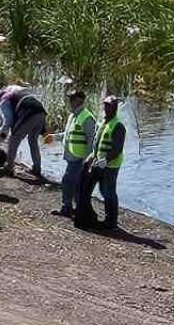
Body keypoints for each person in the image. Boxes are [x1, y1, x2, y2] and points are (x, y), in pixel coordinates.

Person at [50, 89, 96, 218]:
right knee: (74, 185)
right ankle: (77, 209)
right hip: (72, 157)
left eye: (72, 99)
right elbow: (68, 134)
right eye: (69, 99)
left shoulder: (87, 117)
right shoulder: (72, 116)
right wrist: (54, 137)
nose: (69, 102)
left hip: (80, 159)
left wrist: (87, 161)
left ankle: (68, 208)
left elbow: (91, 140)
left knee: (67, 182)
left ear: (80, 100)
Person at [0, 84, 47, 178]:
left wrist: (3, 133)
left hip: (29, 111)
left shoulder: (4, 99)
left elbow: (9, 120)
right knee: (33, 140)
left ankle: (9, 168)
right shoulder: (15, 94)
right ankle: (37, 168)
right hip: (41, 110)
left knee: (14, 140)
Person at [92, 95, 126, 230]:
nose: (107, 108)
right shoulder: (104, 122)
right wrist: (94, 158)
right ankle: (108, 219)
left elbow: (117, 148)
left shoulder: (118, 125)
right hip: (101, 163)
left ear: (115, 108)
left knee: (109, 192)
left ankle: (112, 222)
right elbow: (97, 142)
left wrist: (105, 160)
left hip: (111, 165)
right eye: (105, 106)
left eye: (110, 106)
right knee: (103, 190)